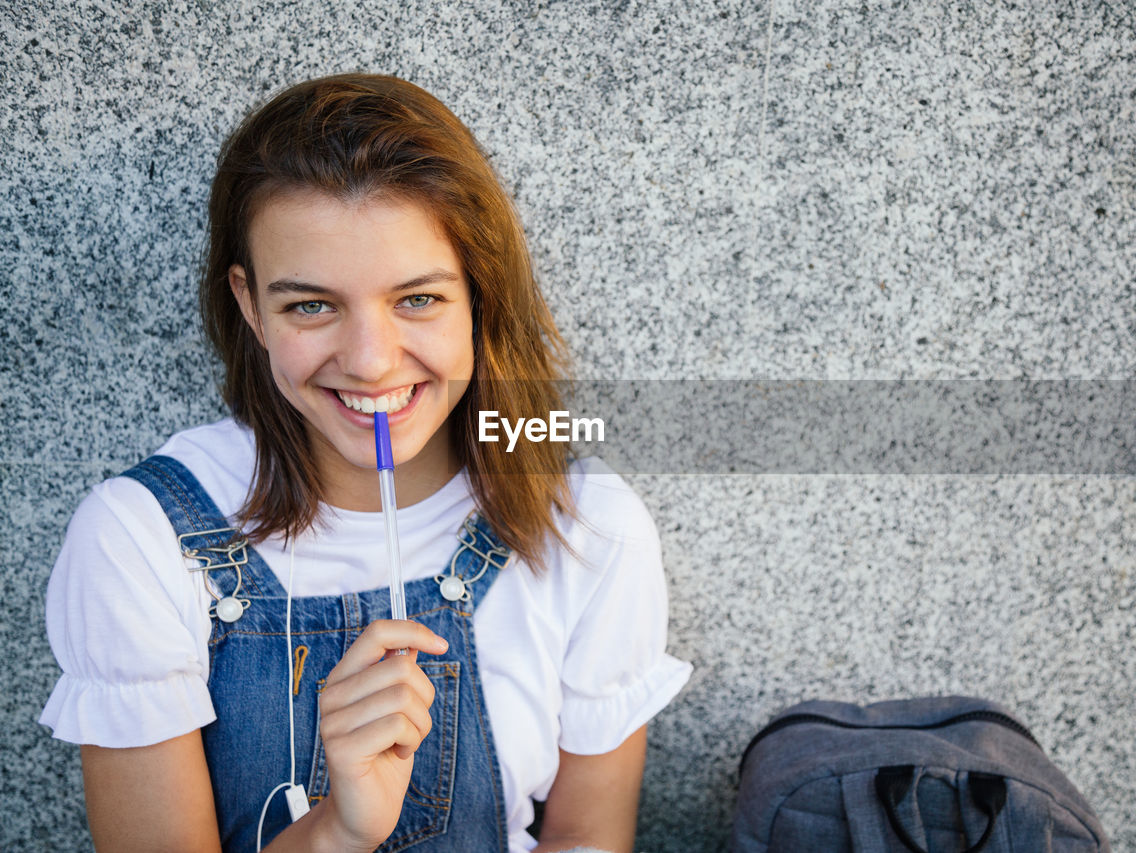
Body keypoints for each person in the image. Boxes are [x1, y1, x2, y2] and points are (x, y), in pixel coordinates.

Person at [39, 73, 691, 853]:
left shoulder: (587, 523)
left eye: (418, 299)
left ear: (479, 294)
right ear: (250, 306)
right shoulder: (142, 539)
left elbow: (588, 837)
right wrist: (335, 831)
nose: (373, 362)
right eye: (310, 304)